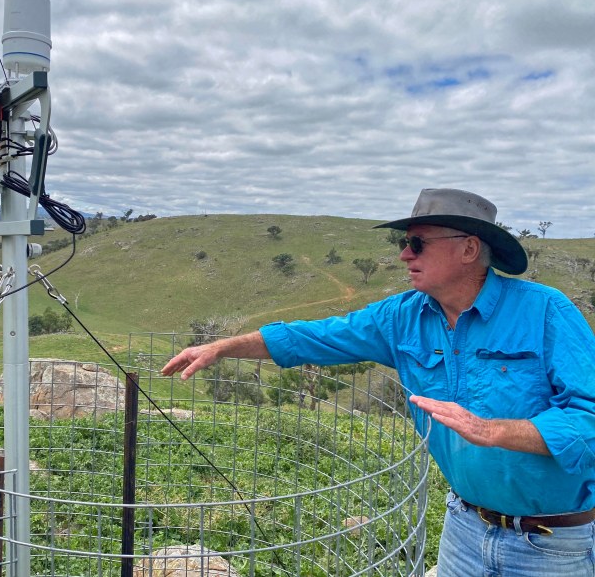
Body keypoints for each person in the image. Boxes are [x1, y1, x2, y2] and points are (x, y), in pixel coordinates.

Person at [161, 188, 595, 576]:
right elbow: (317, 335)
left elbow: (588, 419)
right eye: (404, 243)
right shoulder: (402, 316)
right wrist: (224, 347)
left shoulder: (545, 312)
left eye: (417, 243)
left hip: (552, 546)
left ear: (468, 248)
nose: (405, 255)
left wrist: (493, 430)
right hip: (464, 528)